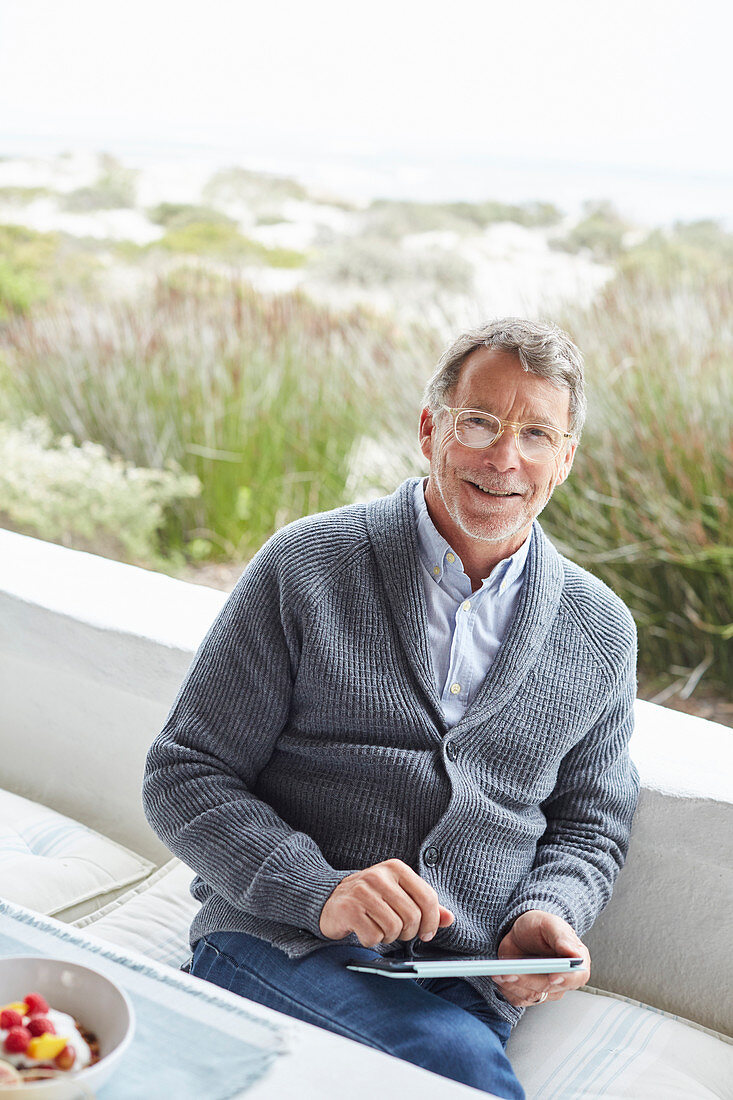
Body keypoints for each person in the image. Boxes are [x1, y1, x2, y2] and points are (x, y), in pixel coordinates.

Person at [143, 318, 639, 1099]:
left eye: (536, 434)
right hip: (282, 942)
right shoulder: (305, 565)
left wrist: (549, 908)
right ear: (428, 429)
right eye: (479, 422)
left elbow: (590, 821)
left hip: (469, 982)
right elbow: (185, 772)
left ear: (565, 459)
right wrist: (320, 891)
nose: (504, 458)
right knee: (464, 1078)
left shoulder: (600, 628)